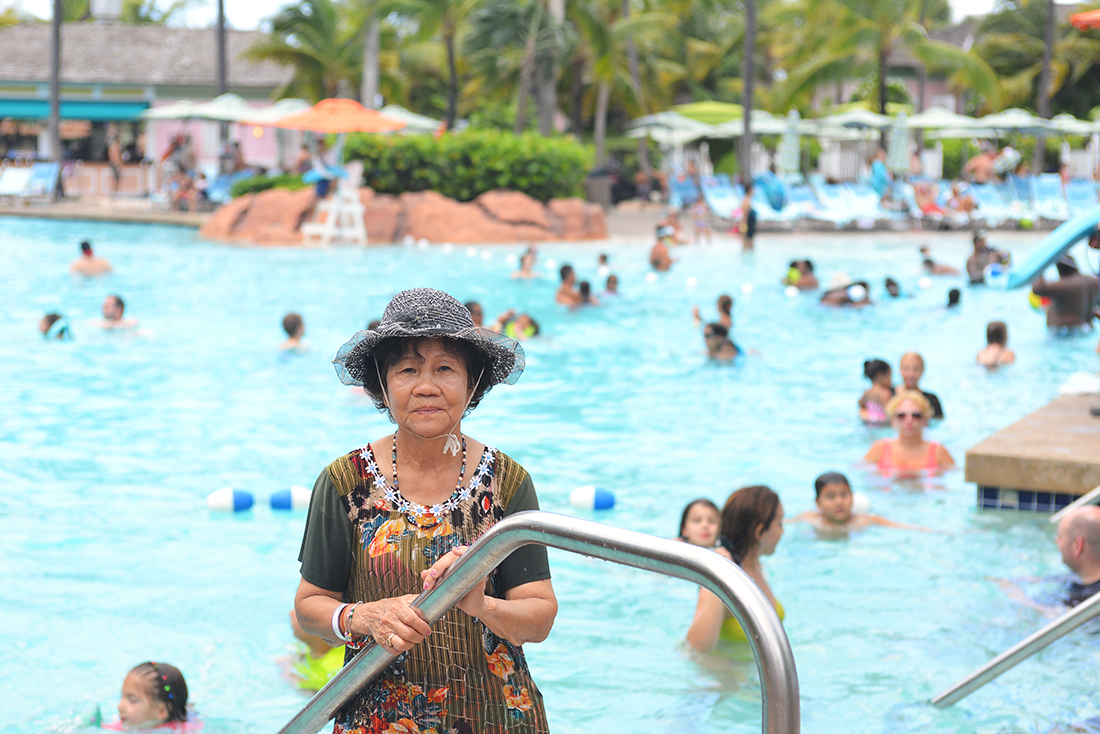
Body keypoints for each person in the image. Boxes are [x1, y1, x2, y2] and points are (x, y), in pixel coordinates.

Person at [295, 288, 555, 733]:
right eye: (408, 369)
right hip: (376, 722)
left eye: (445, 368)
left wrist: (482, 604)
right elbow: (308, 608)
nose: (426, 387)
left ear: (472, 381)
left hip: (496, 718)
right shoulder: (344, 482)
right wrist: (362, 616)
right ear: (382, 381)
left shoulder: (508, 482)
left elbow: (539, 616)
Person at [686, 485, 784, 652]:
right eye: (780, 523)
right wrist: (721, 578)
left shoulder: (756, 566)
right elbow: (696, 646)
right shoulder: (727, 576)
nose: (782, 531)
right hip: (727, 676)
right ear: (760, 532)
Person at [996, 506, 1100, 616]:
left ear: (1077, 546)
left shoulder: (1092, 602)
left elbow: (1058, 621)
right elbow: (1042, 580)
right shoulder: (1079, 577)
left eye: (1060, 536)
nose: (1057, 541)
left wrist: (1022, 600)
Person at [790, 472, 924, 535]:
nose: (839, 502)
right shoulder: (809, 518)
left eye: (844, 495)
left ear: (852, 497)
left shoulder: (865, 520)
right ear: (818, 503)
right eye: (831, 497)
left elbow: (902, 526)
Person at [863, 390, 955, 474]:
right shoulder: (879, 449)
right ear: (893, 421)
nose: (909, 420)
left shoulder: (938, 452)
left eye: (916, 415)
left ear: (925, 420)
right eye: (901, 416)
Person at [110, 661, 189, 730]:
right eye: (122, 697)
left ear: (161, 711)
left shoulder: (181, 730)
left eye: (132, 701)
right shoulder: (125, 725)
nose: (120, 706)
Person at [1030, 256, 1099, 330]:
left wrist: (1039, 265)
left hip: (1064, 331)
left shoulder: (1066, 285)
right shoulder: (1093, 282)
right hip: (1086, 327)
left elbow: (1038, 288)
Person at [899, 352, 943, 420]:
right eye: (906, 369)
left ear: (922, 370)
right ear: (900, 369)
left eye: (916, 370)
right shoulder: (887, 395)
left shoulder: (932, 400)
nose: (910, 374)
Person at [859, 359, 894, 425]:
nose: (891, 381)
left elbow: (860, 404)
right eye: (889, 376)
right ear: (880, 376)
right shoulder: (885, 393)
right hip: (881, 426)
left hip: (868, 425)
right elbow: (890, 414)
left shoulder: (867, 392)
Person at [740, 180, 757, 252]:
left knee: (750, 247)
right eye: (753, 189)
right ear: (749, 190)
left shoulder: (749, 200)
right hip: (747, 226)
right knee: (747, 245)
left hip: (750, 226)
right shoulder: (746, 201)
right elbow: (744, 216)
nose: (754, 191)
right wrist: (743, 229)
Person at [106, 124, 123, 195]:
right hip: (114, 163)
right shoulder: (114, 145)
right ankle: (114, 192)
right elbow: (114, 155)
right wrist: (117, 163)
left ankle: (115, 191)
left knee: (117, 178)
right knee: (115, 178)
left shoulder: (114, 144)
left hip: (114, 163)